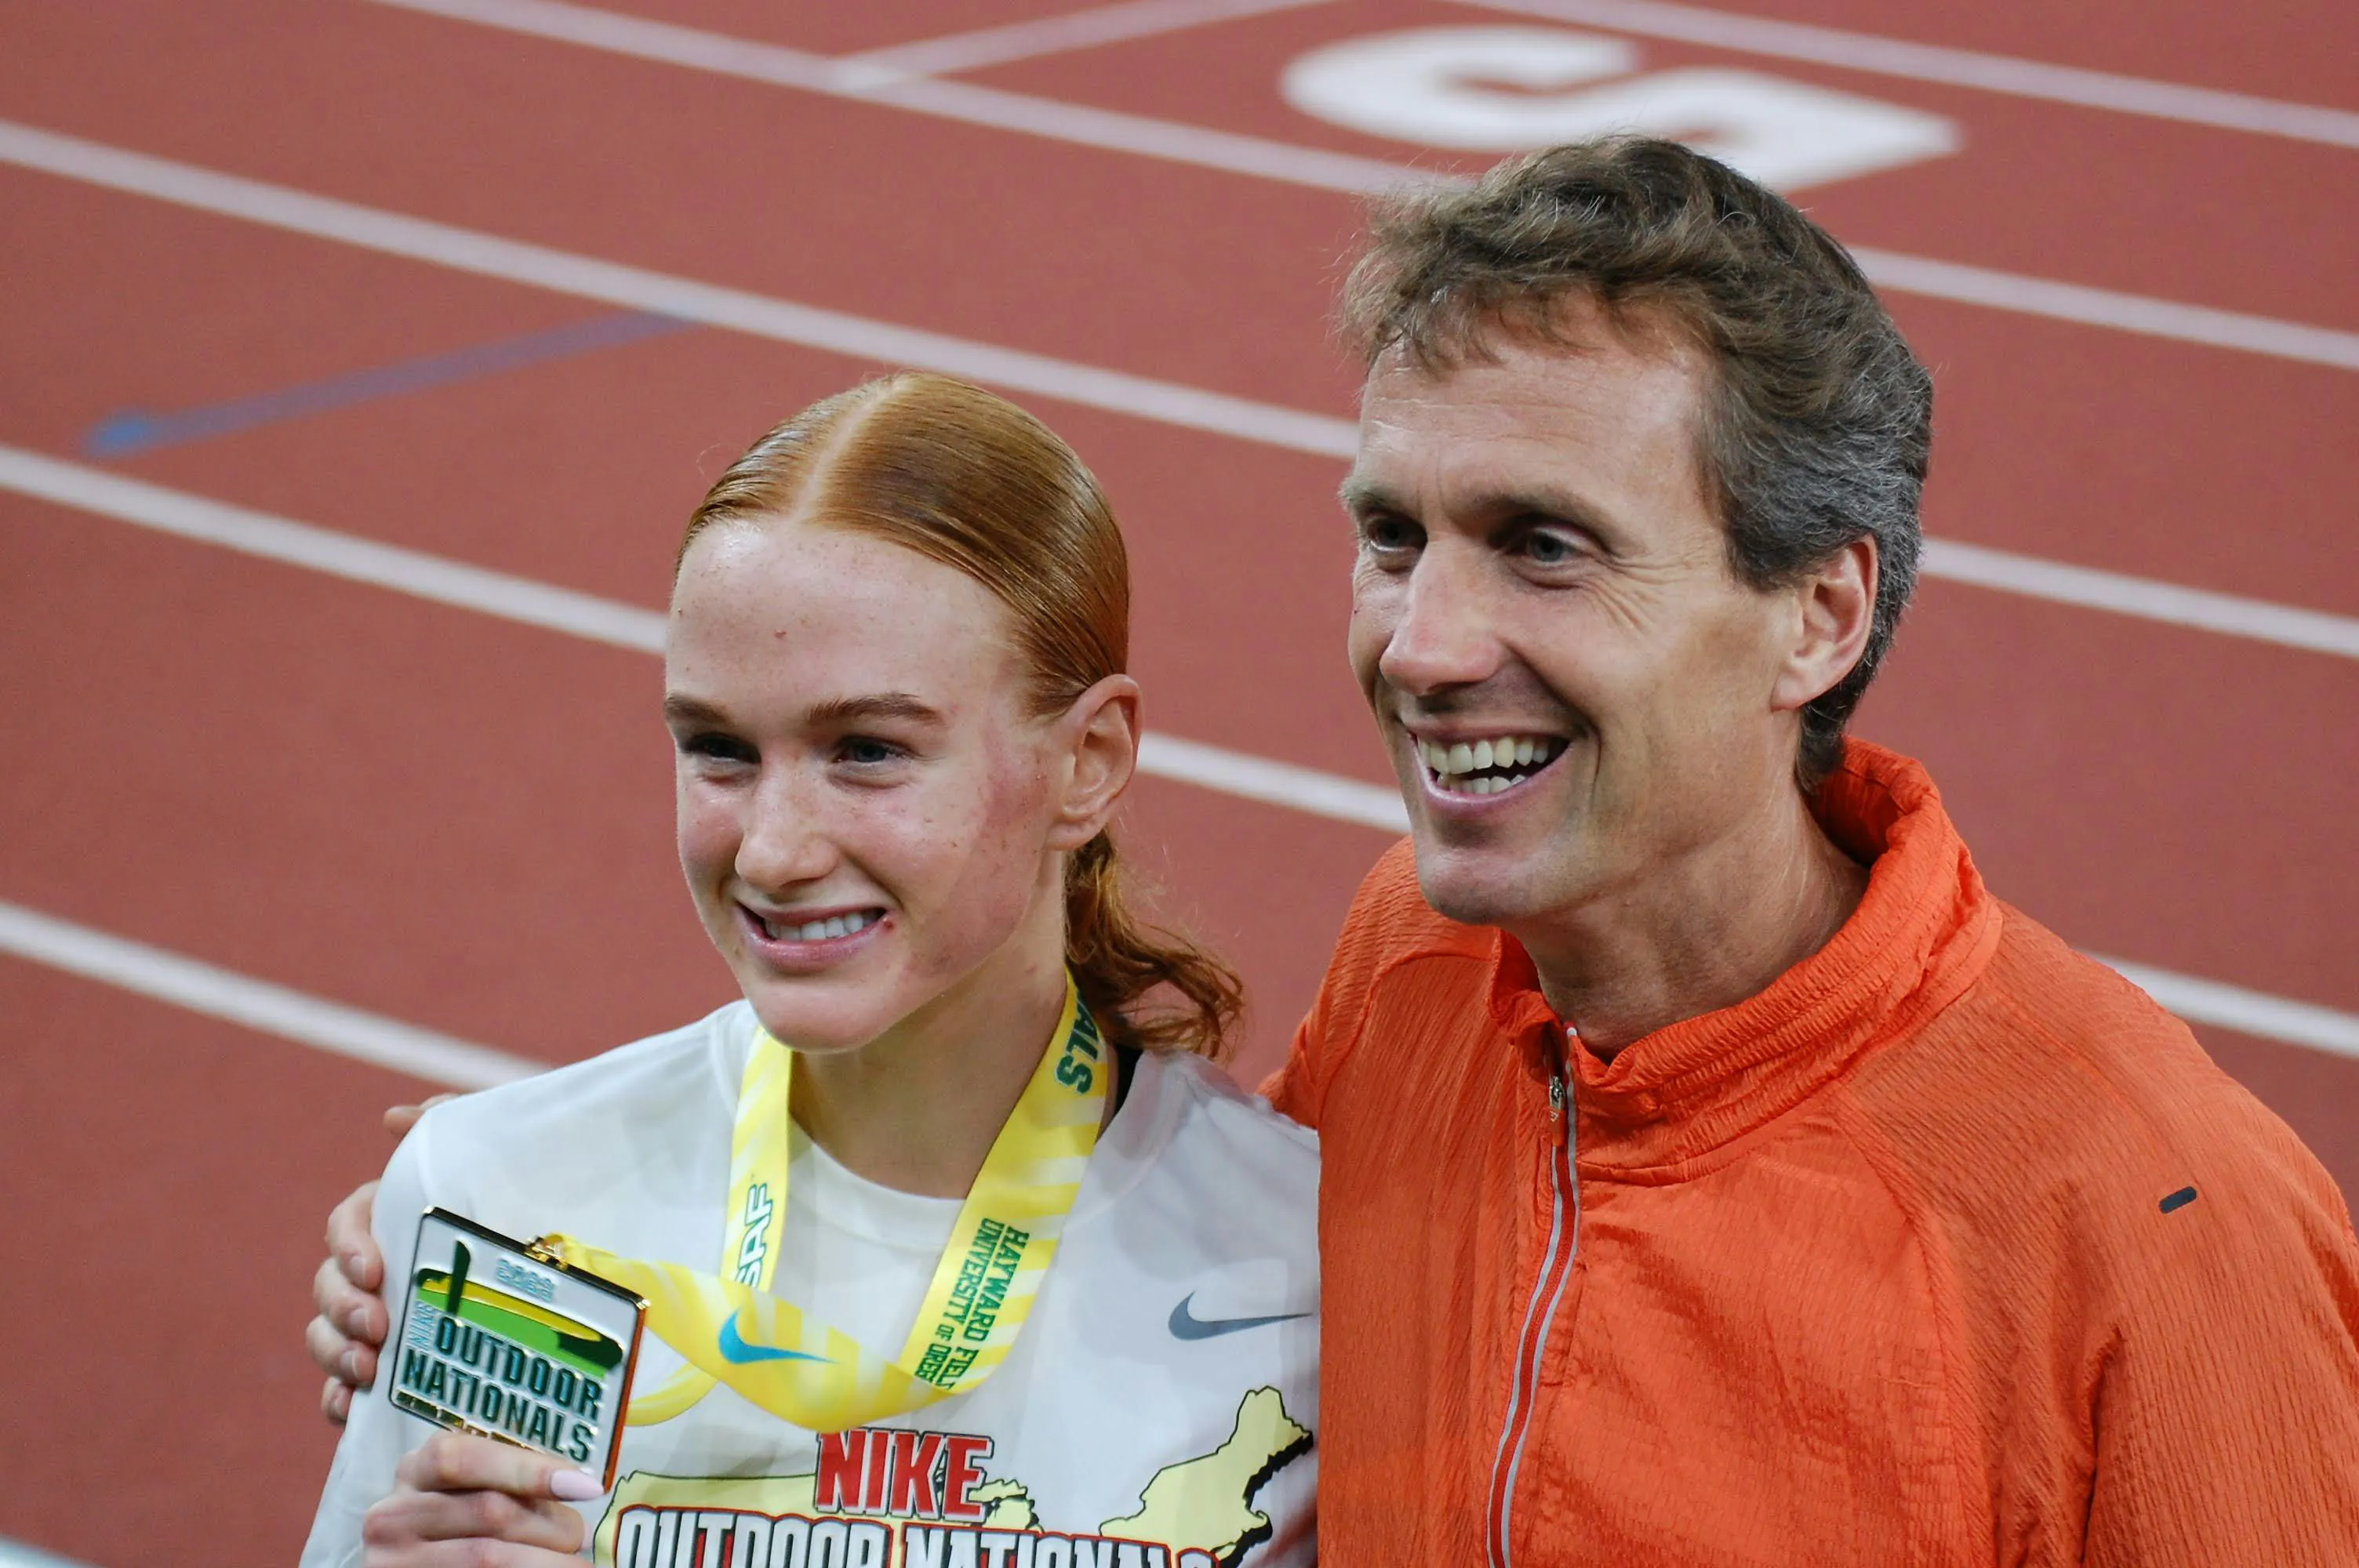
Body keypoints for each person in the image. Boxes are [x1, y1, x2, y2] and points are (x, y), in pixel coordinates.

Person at [314, 139, 2359, 1564]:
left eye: (1542, 545)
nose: (1422, 643)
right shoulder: (1429, 968)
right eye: (1394, 533)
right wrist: (474, 1260)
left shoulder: (2150, 1217)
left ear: (1818, 614)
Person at [301, 372, 1319, 1568]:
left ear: (1088, 760)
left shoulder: (1311, 1258)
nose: (774, 850)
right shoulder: (501, 1203)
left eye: (869, 751)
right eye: (719, 750)